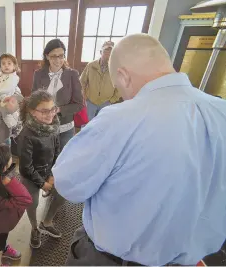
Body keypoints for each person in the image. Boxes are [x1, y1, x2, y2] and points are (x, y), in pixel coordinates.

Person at [53, 34, 226, 266]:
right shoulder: (221, 111)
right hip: (191, 258)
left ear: (123, 76)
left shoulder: (120, 119)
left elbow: (68, 184)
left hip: (115, 259)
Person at [18, 90, 63, 249]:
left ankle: (47, 222)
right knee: (32, 202)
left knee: (62, 193)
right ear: (32, 112)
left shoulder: (53, 126)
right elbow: (25, 167)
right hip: (31, 176)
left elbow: (57, 151)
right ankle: (34, 227)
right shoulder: (27, 134)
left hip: (48, 171)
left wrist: (51, 175)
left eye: (52, 109)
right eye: (44, 111)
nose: (50, 114)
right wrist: (42, 183)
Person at [32, 39, 83, 149]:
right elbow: (33, 99)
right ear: (47, 56)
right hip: (44, 126)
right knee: (45, 158)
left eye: (61, 56)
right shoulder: (38, 74)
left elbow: (79, 104)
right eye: (54, 56)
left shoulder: (72, 75)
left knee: (62, 160)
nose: (58, 60)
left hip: (65, 127)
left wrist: (59, 109)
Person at [80, 41, 121, 122]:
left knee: (101, 124)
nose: (108, 53)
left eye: (111, 51)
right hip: (90, 101)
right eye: (106, 50)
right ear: (101, 52)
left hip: (106, 102)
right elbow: (82, 81)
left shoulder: (116, 68)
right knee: (86, 124)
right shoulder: (91, 65)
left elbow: (120, 86)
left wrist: (112, 100)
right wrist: (84, 96)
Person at [0, 53, 22, 137]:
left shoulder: (14, 77)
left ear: (14, 66)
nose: (6, 66)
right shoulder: (5, 75)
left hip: (8, 97)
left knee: (9, 114)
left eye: (9, 63)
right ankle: (14, 126)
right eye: (3, 63)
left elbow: (8, 87)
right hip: (3, 98)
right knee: (7, 115)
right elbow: (1, 76)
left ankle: (15, 126)